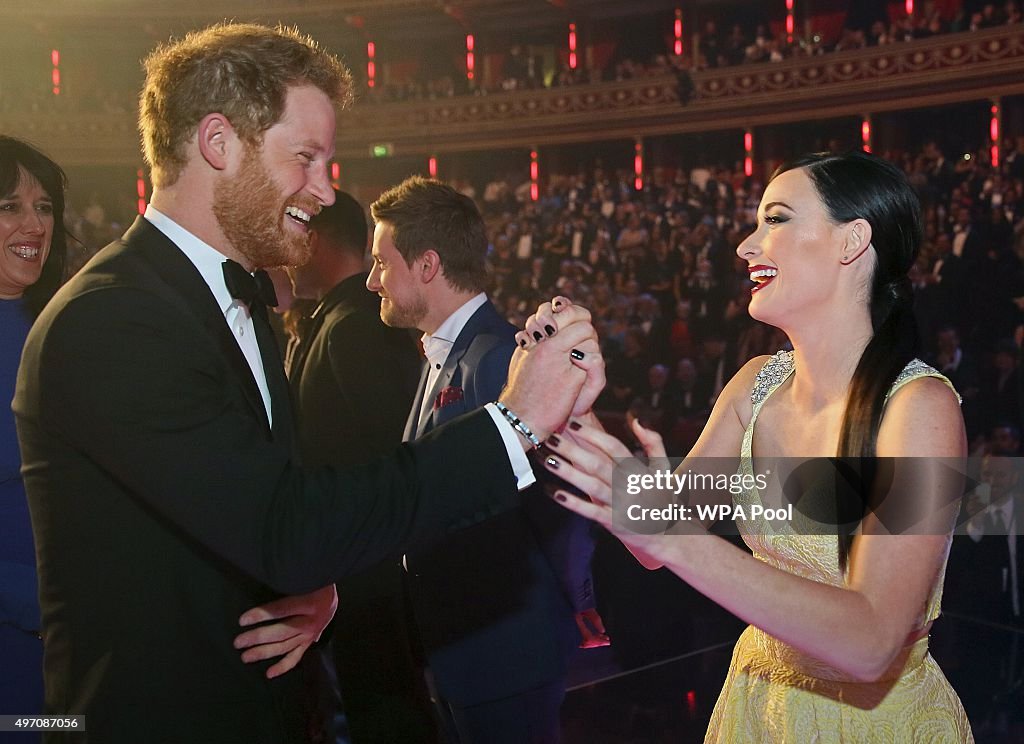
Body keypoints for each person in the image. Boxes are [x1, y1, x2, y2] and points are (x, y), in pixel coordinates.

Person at [12, 23, 602, 743]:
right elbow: (285, 526)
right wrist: (513, 423)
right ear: (219, 143)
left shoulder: (240, 306)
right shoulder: (110, 320)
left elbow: (258, 507)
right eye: (307, 158)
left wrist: (313, 584)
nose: (326, 191)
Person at [534, 151, 974, 740]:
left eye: (776, 219)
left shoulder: (922, 410)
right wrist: (575, 410)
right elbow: (654, 541)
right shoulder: (753, 385)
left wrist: (675, 538)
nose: (746, 245)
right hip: (757, 707)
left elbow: (872, 643)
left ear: (852, 241)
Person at [367, 176, 597, 743]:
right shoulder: (446, 357)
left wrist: (579, 600)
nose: (372, 279)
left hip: (503, 651)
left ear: (426, 265)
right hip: (467, 651)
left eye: (381, 262)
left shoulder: (497, 361)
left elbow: (552, 504)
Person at [287, 190, 431, 742]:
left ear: (315, 241)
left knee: (386, 714)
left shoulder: (356, 326)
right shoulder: (335, 320)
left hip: (368, 577)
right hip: (351, 572)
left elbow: (392, 452)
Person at [0, 137, 69, 726]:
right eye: (9, 206)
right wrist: (43, 601)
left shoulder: (66, 327)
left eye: (44, 206)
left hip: (80, 640)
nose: (33, 223)